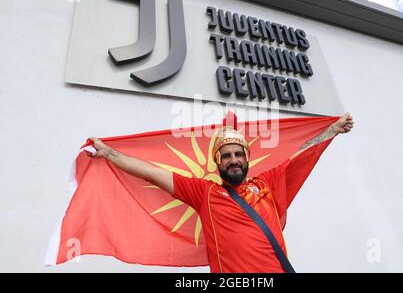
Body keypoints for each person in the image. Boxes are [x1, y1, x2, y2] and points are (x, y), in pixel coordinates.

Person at [88, 113, 354, 272]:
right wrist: (109, 153)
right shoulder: (204, 192)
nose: (233, 159)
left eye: (239, 154)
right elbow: (152, 173)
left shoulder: (267, 184)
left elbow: (302, 154)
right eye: (226, 156)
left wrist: (332, 130)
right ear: (218, 163)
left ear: (247, 159)